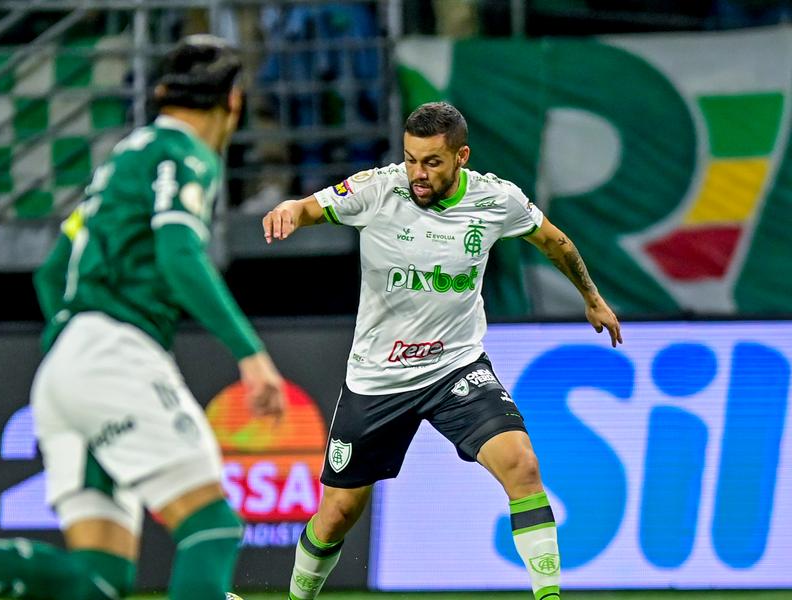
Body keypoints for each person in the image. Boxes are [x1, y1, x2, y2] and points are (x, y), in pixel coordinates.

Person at [0, 35, 287, 600]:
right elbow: (179, 252)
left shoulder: (122, 164)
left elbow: (53, 270)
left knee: (102, 579)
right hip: (115, 355)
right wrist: (250, 354)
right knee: (213, 527)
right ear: (233, 100)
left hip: (67, 365)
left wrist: (73, 340)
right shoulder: (186, 156)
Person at [264, 102, 623, 600]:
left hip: (454, 367)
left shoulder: (496, 199)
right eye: (411, 159)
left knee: (522, 466)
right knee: (338, 514)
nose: (417, 173)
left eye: (431, 162)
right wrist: (288, 210)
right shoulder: (378, 189)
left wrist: (592, 297)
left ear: (461, 156)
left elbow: (554, 242)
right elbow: (308, 208)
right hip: (377, 379)